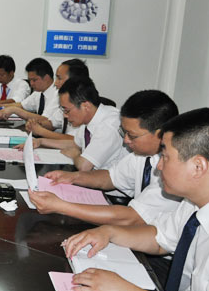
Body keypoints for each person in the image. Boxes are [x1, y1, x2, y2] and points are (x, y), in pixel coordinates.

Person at [63, 108, 209, 291]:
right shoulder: (193, 204)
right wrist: (109, 232)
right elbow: (159, 238)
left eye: (166, 157)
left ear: (198, 167)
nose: (159, 166)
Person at [29, 90, 180, 225]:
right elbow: (110, 177)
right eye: (124, 132)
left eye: (132, 135)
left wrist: (61, 206)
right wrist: (73, 177)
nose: (126, 140)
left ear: (160, 134)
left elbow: (132, 217)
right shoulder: (141, 156)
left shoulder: (174, 169)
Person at [29, 77, 127, 171]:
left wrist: (75, 155)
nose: (65, 115)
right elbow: (75, 144)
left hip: (108, 181)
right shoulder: (88, 118)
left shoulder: (108, 125)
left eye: (67, 110)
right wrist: (41, 142)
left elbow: (84, 166)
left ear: (86, 106)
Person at [25, 58, 90, 140]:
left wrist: (40, 131)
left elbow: (74, 141)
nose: (55, 83)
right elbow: (52, 123)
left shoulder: (84, 105)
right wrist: (35, 124)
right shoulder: (67, 103)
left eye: (59, 78)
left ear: (74, 80)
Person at [0, 57, 64, 131]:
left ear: (46, 78)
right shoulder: (38, 93)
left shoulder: (58, 94)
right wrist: (2, 106)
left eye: (34, 80)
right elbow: (22, 105)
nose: (31, 84)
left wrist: (15, 110)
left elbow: (45, 120)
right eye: (30, 80)